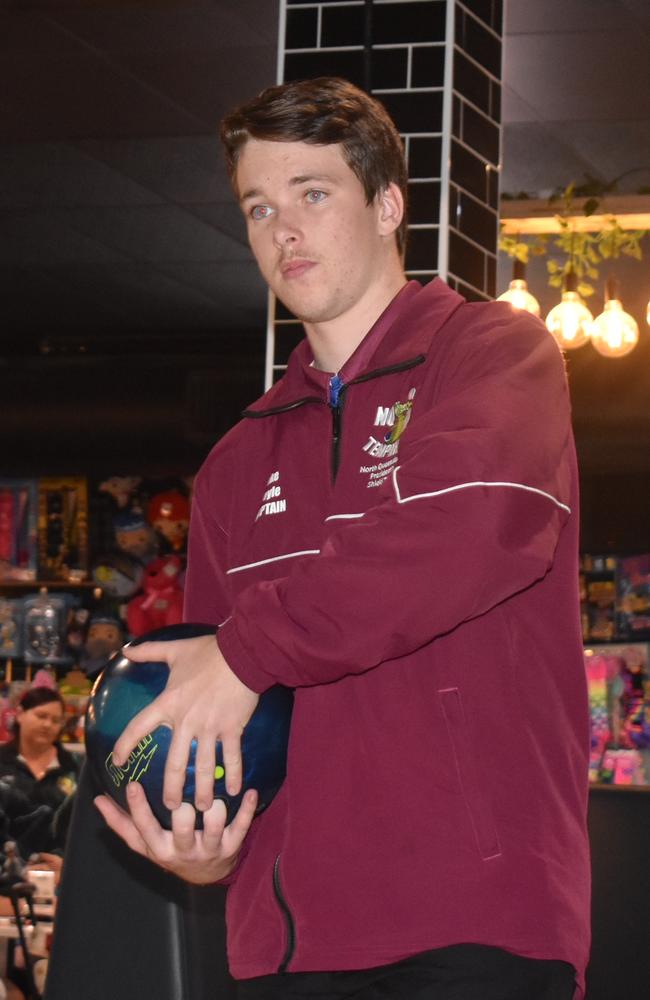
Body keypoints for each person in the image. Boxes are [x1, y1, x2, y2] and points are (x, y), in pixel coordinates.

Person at [96, 77, 591, 999]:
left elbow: (474, 529)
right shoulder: (237, 462)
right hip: (283, 948)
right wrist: (209, 845)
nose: (283, 230)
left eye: (313, 194)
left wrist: (244, 651)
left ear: (388, 205)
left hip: (476, 922)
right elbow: (219, 707)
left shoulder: (491, 355)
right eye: (258, 207)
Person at [0, 687, 78, 863]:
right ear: (20, 714)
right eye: (41, 716)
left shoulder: (74, 767)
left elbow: (82, 827)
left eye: (56, 720)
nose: (47, 725)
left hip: (62, 876)